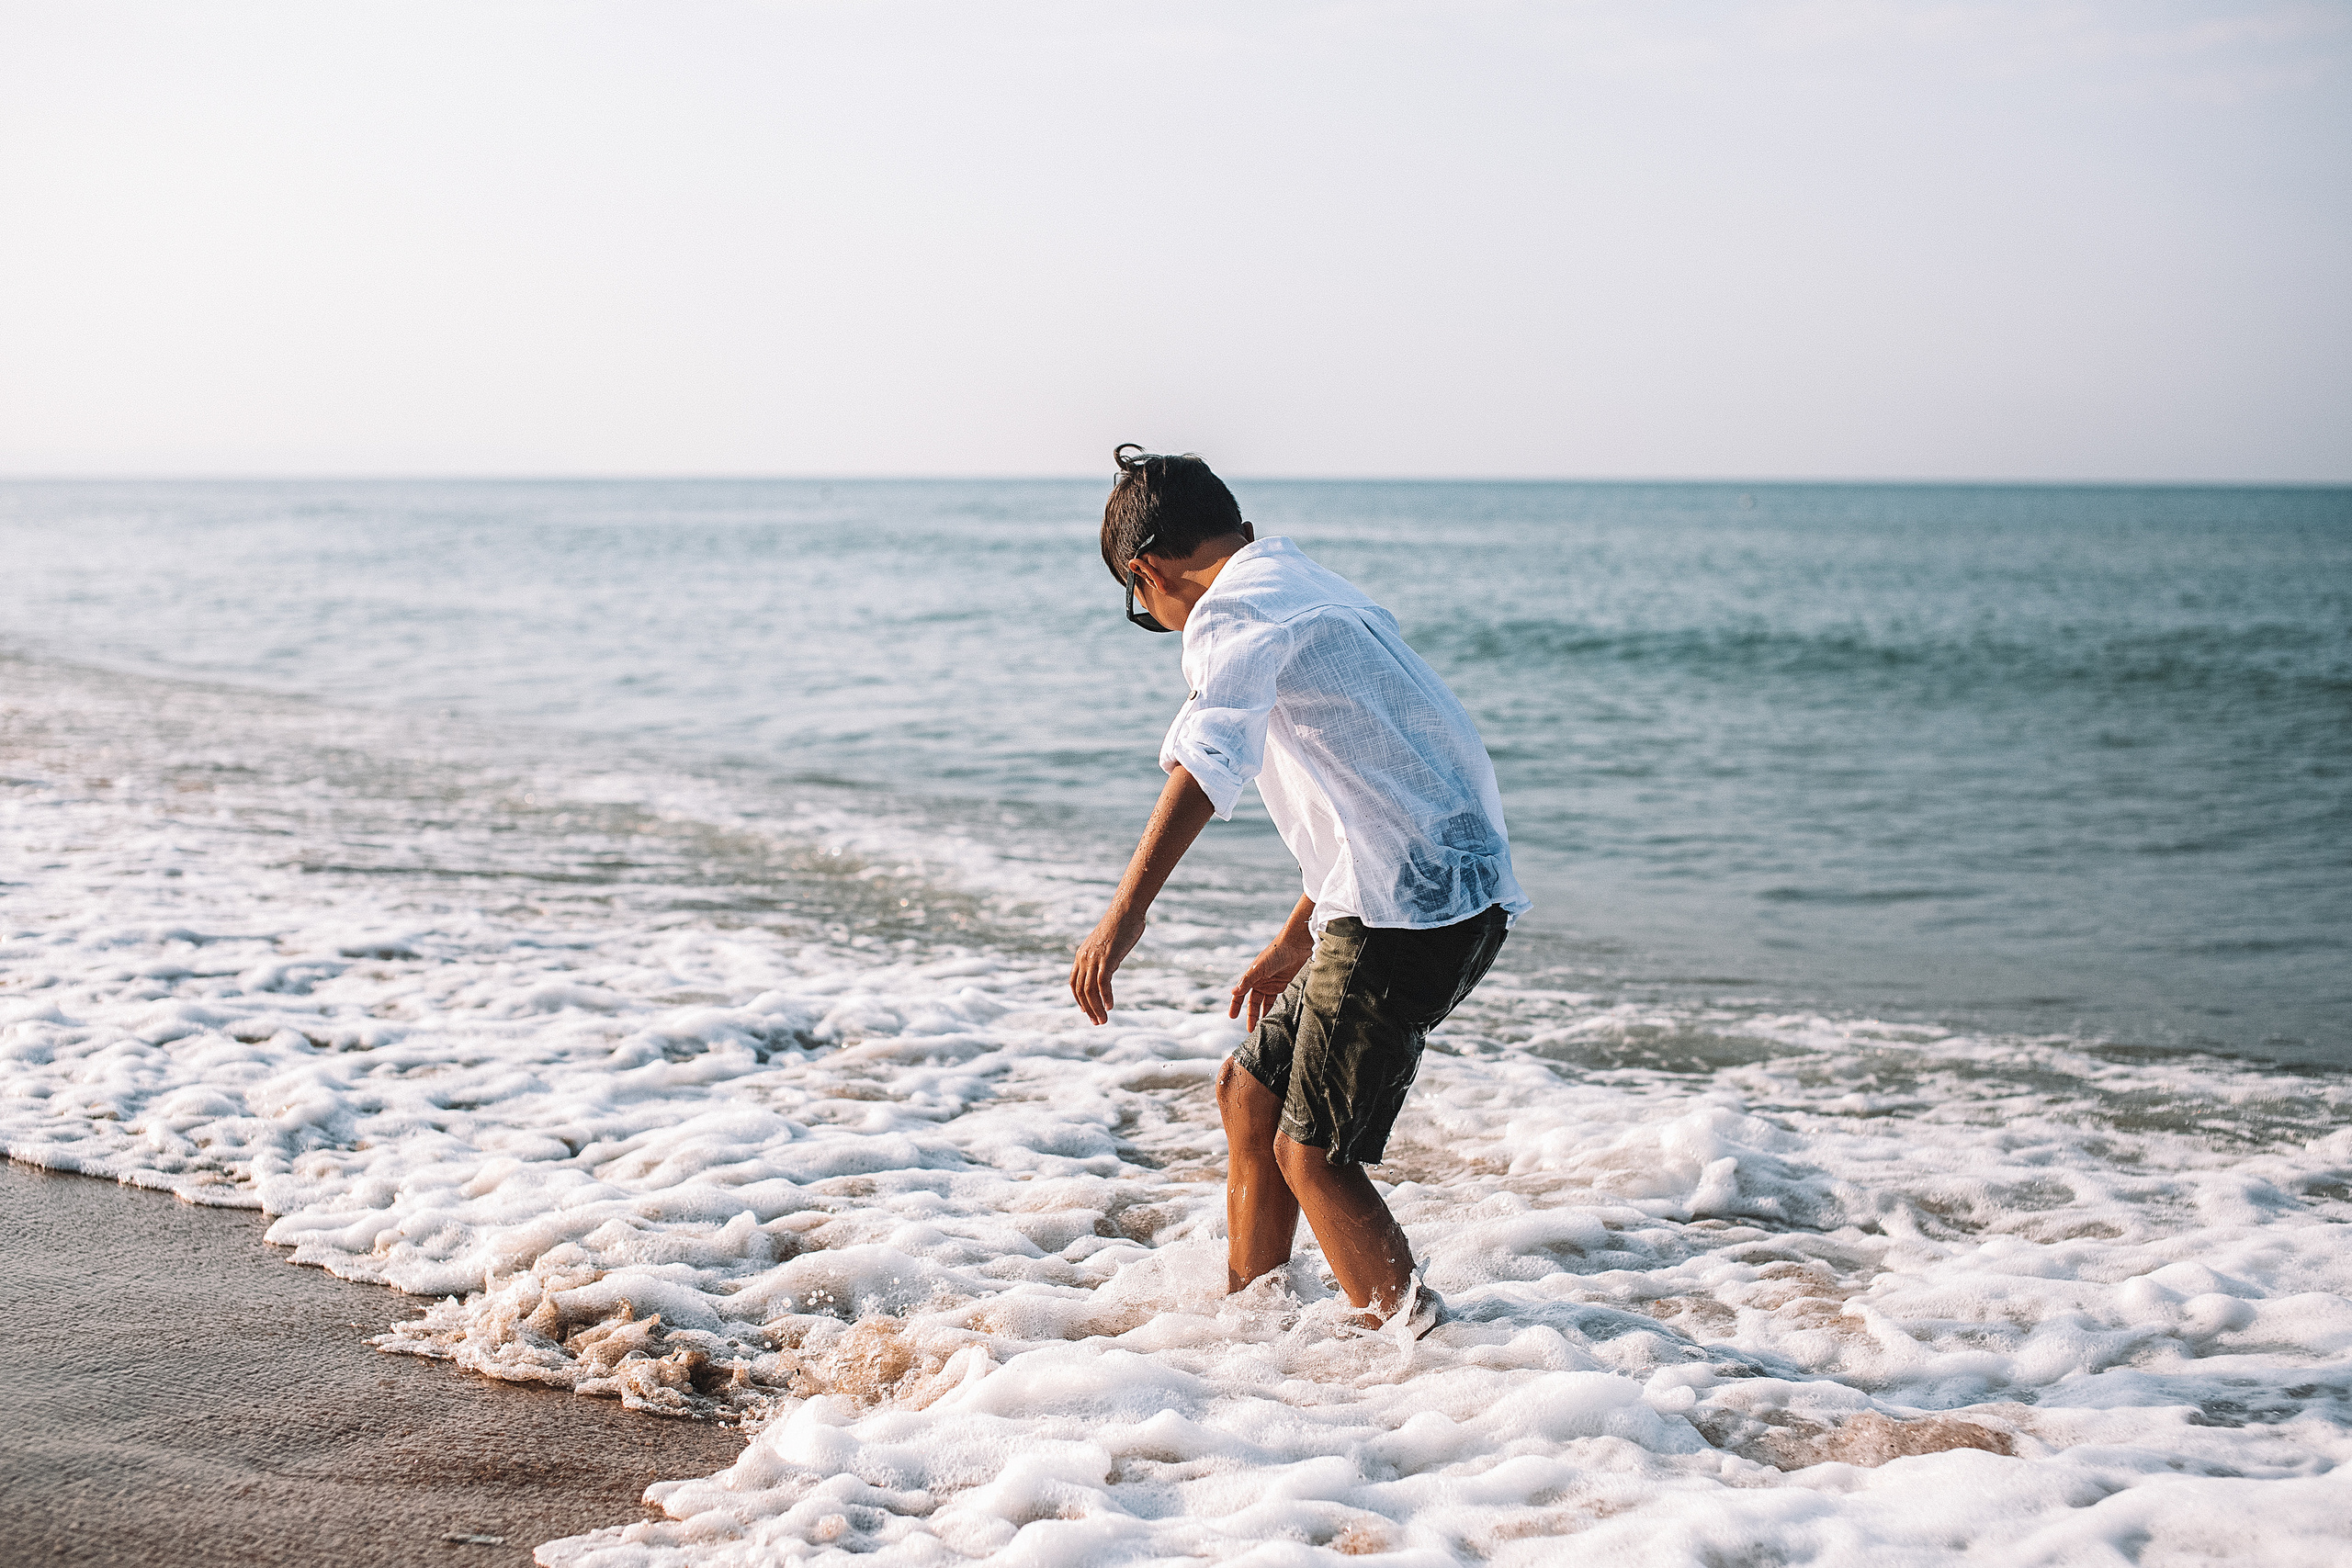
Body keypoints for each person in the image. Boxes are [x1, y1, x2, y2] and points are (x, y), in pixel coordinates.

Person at [1069, 445, 1529, 1335]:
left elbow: (1209, 759)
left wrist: (1123, 916)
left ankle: (1427, 1355)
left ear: (1146, 571)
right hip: (1431, 896)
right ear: (1238, 529)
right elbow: (1376, 790)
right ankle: (1254, 1325)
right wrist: (1297, 934)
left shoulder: (1231, 609)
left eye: (1137, 602)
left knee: (1313, 1154)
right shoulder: (1308, 586)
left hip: (1402, 918)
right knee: (1251, 1091)